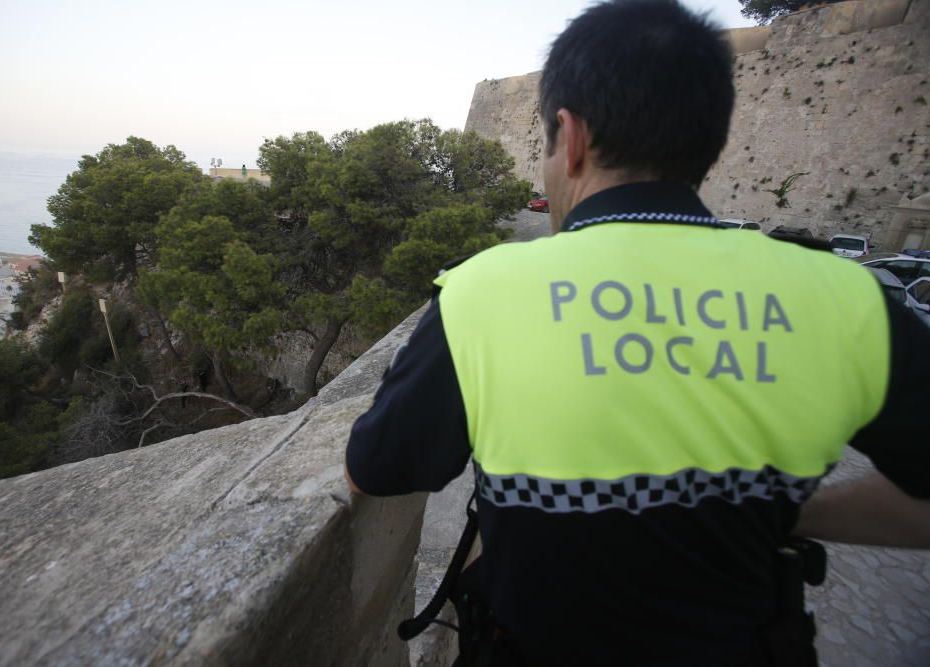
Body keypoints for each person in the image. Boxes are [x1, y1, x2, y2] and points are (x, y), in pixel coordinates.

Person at [344, 0, 930, 664]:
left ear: (571, 137)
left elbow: (370, 468)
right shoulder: (847, 297)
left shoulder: (482, 293)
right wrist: (790, 512)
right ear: (708, 139)